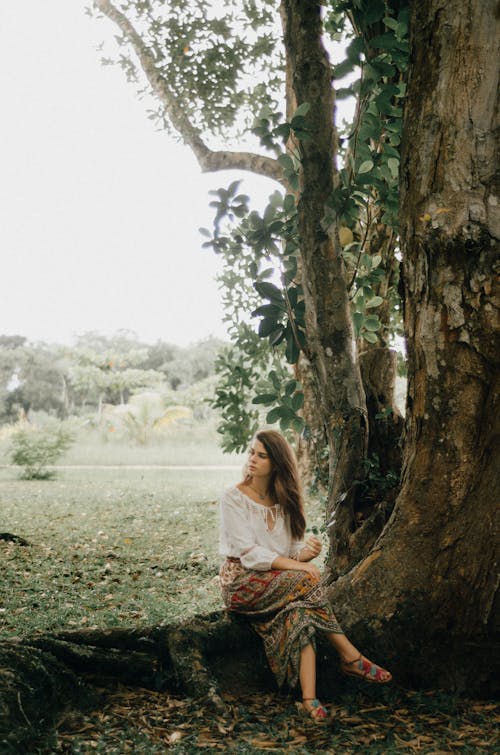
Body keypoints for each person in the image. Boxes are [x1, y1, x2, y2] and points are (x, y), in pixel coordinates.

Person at [218, 429, 392, 723]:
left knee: (300, 617)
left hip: (276, 583)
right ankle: (350, 656)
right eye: (251, 453)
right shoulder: (233, 498)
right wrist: (298, 567)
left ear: (277, 463)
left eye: (262, 456)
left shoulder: (283, 500)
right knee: (307, 580)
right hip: (242, 583)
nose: (253, 460)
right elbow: (250, 553)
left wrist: (303, 554)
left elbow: (285, 550)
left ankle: (309, 700)